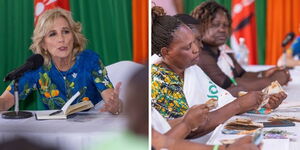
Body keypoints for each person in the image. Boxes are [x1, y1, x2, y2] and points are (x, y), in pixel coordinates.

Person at [151, 6, 263, 138]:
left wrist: (258, 101)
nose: (196, 49)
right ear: (165, 52)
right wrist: (239, 105)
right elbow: (187, 129)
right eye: (188, 46)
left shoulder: (191, 68)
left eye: (195, 41)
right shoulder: (158, 79)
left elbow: (220, 100)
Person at [0, 8, 122, 115]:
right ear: (43, 44)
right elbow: (5, 101)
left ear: (73, 37)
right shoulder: (37, 68)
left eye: (66, 32)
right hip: (57, 132)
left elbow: (112, 101)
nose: (61, 39)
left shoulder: (90, 60)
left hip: (93, 127)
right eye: (53, 34)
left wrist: (115, 105)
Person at [190, 1, 287, 108]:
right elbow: (232, 86)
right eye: (215, 25)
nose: (222, 29)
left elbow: (241, 75)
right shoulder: (201, 54)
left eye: (226, 25)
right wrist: (272, 81)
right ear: (201, 26)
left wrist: (264, 73)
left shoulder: (223, 49)